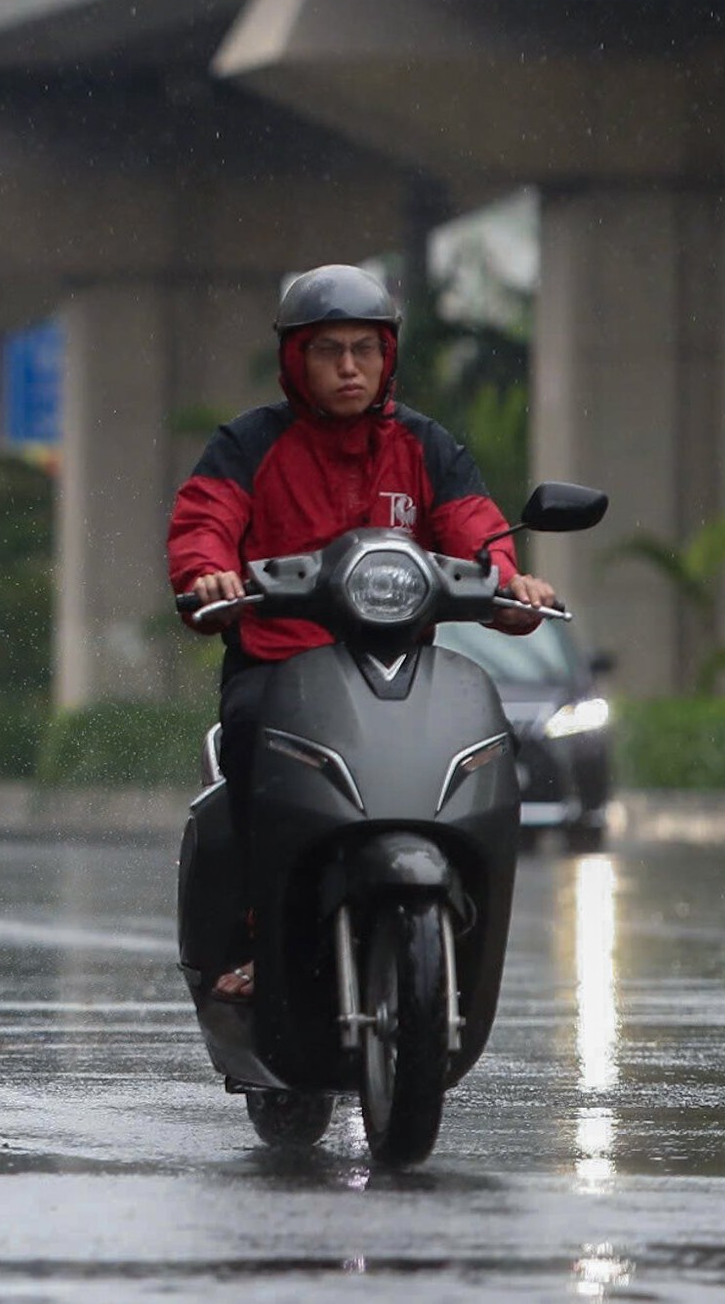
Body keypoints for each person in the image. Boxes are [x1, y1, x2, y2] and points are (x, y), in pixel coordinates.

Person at [165, 264, 560, 1003]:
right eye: (327, 350)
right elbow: (204, 524)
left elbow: (477, 532)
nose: (349, 367)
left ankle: (461, 914)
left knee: (477, 740)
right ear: (296, 359)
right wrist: (211, 575)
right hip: (280, 668)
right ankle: (256, 932)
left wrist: (510, 583)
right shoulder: (248, 445)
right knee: (249, 732)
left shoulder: (425, 446)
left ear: (387, 358)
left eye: (365, 350)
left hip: (397, 669)